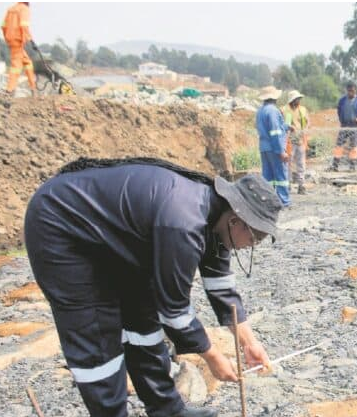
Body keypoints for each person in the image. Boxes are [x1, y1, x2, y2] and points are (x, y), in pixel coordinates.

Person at [24, 157, 281, 417]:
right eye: (256, 235)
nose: (254, 243)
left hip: (118, 237)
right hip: (61, 226)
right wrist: (213, 357)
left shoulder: (217, 220)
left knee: (142, 317)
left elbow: (221, 286)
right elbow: (174, 309)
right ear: (236, 219)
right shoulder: (183, 221)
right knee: (96, 333)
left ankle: (167, 410)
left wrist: (249, 343)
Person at [256, 85, 293, 207]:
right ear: (274, 97)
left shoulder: (260, 111)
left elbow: (269, 128)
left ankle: (268, 201)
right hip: (274, 148)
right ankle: (284, 201)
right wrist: (281, 151)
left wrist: (287, 127)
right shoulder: (273, 110)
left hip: (264, 148)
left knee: (268, 176)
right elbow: (275, 132)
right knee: (281, 175)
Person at [329, 81, 357, 172]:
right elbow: (339, 110)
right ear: (346, 90)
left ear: (355, 90)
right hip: (344, 126)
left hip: (354, 126)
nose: (350, 93)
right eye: (349, 91)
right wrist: (341, 120)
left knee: (354, 146)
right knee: (339, 145)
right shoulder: (342, 100)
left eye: (352, 91)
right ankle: (335, 166)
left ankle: (352, 167)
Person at [2, 2, 37, 96]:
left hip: (11, 40)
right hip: (17, 40)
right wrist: (30, 40)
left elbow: (3, 26)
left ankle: (33, 88)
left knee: (27, 63)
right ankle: (9, 90)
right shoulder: (24, 9)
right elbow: (24, 26)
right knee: (16, 66)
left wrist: (7, 38)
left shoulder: (11, 9)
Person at [282, 90, 310, 195]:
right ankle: (287, 184)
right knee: (288, 163)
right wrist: (290, 127)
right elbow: (283, 124)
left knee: (301, 163)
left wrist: (305, 129)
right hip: (289, 140)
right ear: (292, 100)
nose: (298, 101)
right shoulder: (285, 110)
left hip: (301, 140)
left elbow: (307, 121)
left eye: (299, 99)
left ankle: (301, 185)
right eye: (296, 99)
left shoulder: (302, 110)